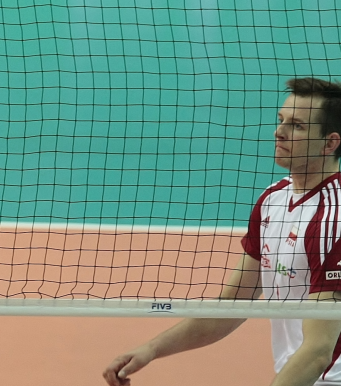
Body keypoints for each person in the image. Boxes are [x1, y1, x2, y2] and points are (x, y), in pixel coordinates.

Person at [103, 77, 341, 386]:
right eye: (281, 120)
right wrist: (151, 349)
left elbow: (319, 351)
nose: (279, 132)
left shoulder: (333, 219)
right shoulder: (273, 200)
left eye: (297, 126)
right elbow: (232, 305)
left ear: (330, 143)